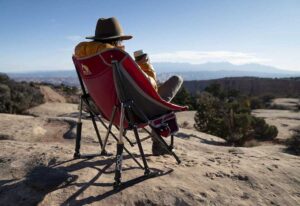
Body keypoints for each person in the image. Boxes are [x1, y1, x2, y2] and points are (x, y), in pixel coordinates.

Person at [74, 17, 183, 155]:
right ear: (116, 40)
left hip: (109, 112)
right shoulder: (115, 57)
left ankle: (159, 142)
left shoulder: (84, 57)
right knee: (176, 79)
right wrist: (144, 65)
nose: (122, 43)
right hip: (134, 113)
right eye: (121, 40)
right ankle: (159, 144)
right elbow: (149, 87)